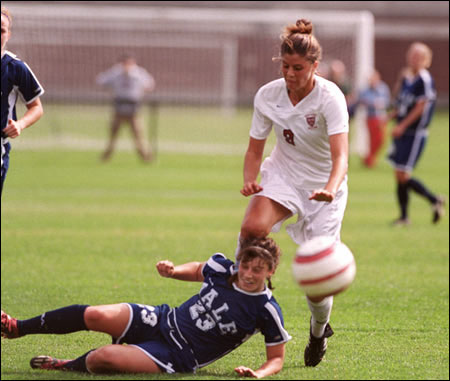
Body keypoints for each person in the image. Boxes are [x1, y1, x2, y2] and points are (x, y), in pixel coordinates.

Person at [1, 237, 291, 378]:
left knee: (103, 358)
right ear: (239, 261)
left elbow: (276, 358)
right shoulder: (224, 268)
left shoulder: (266, 309)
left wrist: (258, 373)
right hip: (164, 318)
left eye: (258, 269)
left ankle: (64, 365)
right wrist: (174, 271)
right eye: (246, 266)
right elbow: (200, 269)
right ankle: (17, 328)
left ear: (271, 271)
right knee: (96, 314)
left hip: (179, 355)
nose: (249, 274)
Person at [236, 19, 349, 367]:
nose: (290, 74)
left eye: (298, 68)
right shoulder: (268, 95)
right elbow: (255, 149)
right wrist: (251, 179)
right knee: (251, 229)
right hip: (283, 173)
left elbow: (341, 155)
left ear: (315, 66)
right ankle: (253, 298)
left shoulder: (330, 97)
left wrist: (330, 189)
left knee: (318, 282)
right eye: (285, 66)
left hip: (322, 186)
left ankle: (319, 331)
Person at [386, 42, 445, 225]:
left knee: (403, 174)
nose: (415, 60)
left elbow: (420, 107)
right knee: (399, 173)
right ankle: (404, 217)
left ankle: (434, 200)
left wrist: (402, 125)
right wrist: (392, 116)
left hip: (415, 132)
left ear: (427, 61)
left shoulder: (424, 80)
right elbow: (403, 104)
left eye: (419, 57)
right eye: (413, 56)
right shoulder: (407, 78)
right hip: (403, 131)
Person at [1, 6, 44, 197]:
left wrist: (20, 124)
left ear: (8, 35)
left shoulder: (15, 67)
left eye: (1, 30)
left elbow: (36, 107)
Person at [96, 54, 155, 162]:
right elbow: (101, 81)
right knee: (113, 135)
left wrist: (141, 92)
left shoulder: (138, 74)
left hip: (133, 108)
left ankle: (146, 158)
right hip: (119, 107)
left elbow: (150, 84)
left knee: (138, 135)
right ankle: (106, 157)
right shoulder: (115, 73)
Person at [354, 70, 391, 168]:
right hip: (371, 117)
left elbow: (387, 101)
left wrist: (380, 104)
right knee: (373, 138)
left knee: (381, 139)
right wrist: (372, 103)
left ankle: (368, 158)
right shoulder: (365, 90)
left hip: (382, 116)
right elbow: (361, 100)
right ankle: (369, 160)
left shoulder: (383, 88)